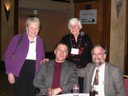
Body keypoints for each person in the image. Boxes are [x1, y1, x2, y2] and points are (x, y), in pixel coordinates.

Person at [4, 16, 45, 96]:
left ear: (39, 29)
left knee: (31, 94)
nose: (34, 30)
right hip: (19, 73)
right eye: (31, 27)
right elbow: (8, 55)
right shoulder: (18, 38)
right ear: (27, 28)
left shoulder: (40, 41)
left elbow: (41, 59)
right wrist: (10, 73)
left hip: (34, 74)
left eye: (36, 28)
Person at [60, 17, 93, 93]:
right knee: (70, 89)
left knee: (82, 89)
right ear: (69, 28)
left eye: (76, 26)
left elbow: (91, 52)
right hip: (69, 69)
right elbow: (59, 51)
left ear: (80, 27)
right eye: (71, 26)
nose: (73, 28)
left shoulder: (86, 38)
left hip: (83, 69)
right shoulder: (65, 38)